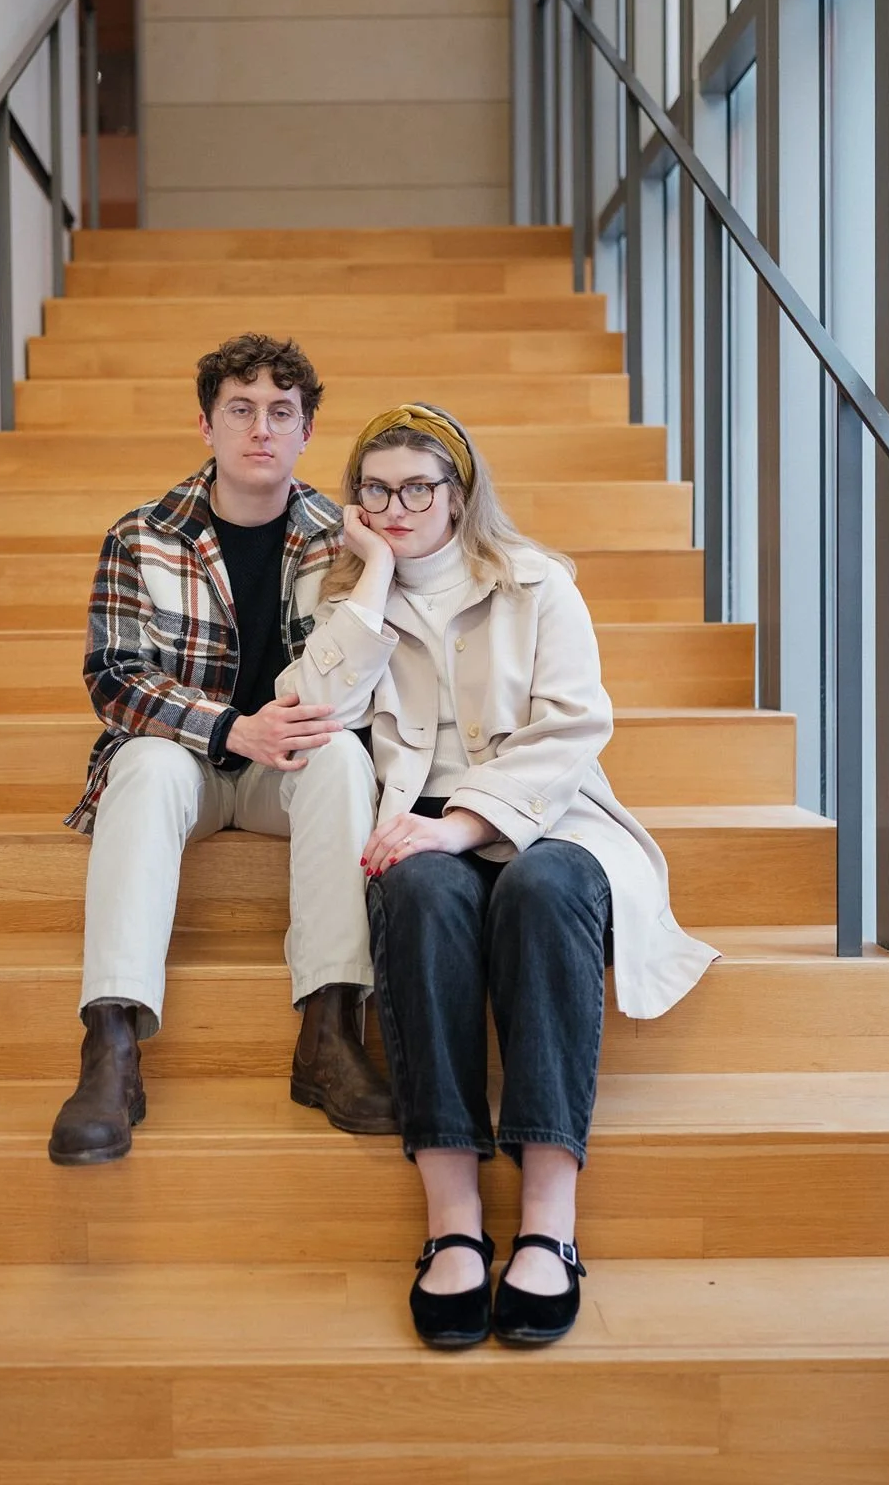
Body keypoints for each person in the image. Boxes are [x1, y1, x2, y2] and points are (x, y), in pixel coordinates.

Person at [277, 403, 718, 1349]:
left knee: (541, 890)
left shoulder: (539, 583)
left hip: (545, 818)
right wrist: (375, 582)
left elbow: (571, 728)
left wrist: (467, 824)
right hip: (414, 827)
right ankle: (453, 1222)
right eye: (375, 490)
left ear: (459, 493)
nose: (396, 506)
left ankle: (549, 1224)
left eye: (418, 488)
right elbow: (309, 711)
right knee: (420, 892)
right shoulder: (345, 599)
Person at [48, 334, 396, 1167]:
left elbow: (356, 691)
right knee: (141, 759)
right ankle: (111, 1047)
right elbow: (113, 678)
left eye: (282, 412)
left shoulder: (339, 539)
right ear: (205, 423)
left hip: (291, 777)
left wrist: (378, 559)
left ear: (307, 432)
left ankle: (330, 1033)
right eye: (240, 409)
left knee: (344, 756)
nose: (261, 429)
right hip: (189, 769)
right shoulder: (142, 535)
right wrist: (230, 729)